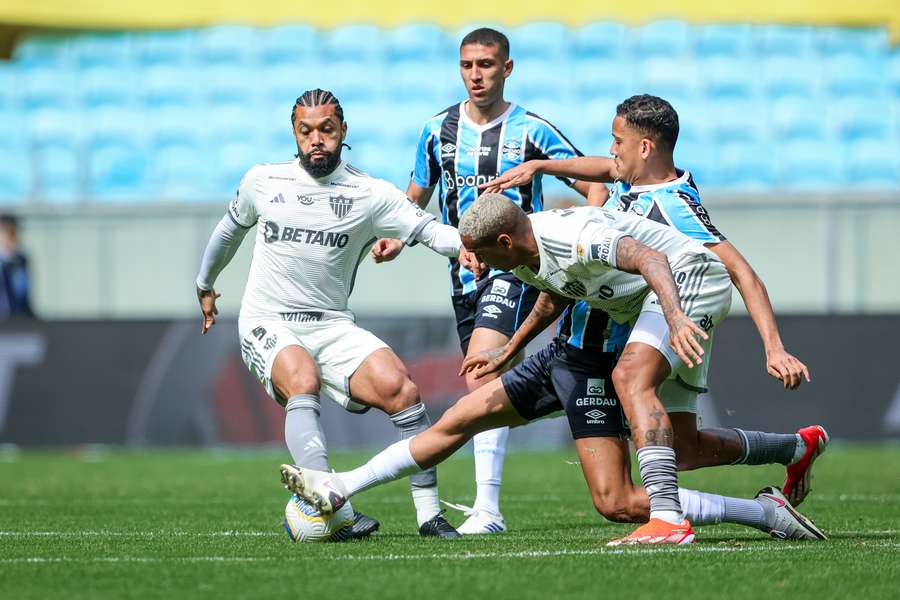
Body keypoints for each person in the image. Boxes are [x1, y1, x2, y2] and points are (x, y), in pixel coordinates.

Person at [281, 194, 827, 545]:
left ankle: (699, 518)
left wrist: (679, 316)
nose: (479, 269)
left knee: (622, 453)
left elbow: (650, 259)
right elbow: (555, 293)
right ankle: (340, 486)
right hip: (569, 351)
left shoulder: (575, 233)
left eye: (481, 257)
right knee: (464, 416)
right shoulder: (526, 252)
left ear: (503, 241)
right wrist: (508, 350)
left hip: (673, 295)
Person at [479, 94, 826, 506]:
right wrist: (542, 166)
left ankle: (666, 514)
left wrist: (774, 348)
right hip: (654, 315)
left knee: (631, 380)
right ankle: (796, 448)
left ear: (644, 148)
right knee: (686, 449)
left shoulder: (675, 206)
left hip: (678, 313)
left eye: (617, 140)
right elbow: (604, 169)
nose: (611, 151)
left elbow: (742, 272)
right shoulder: (635, 178)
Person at [194, 89, 467, 539]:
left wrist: (468, 249)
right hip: (269, 320)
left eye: (326, 130)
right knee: (302, 379)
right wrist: (205, 285)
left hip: (332, 324)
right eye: (306, 131)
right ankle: (331, 501)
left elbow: (428, 229)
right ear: (294, 134)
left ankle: (429, 516)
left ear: (342, 132)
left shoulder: (370, 192)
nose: (316, 140)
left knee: (403, 390)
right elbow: (228, 232)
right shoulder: (263, 180)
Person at [370, 27, 606, 535]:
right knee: (492, 384)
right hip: (461, 278)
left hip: (517, 273)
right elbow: (416, 195)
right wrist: (396, 237)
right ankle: (537, 414)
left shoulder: (532, 130)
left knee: (480, 373)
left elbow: (594, 185)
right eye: (468, 66)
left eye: (487, 65)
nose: (477, 75)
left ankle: (487, 509)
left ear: (507, 68)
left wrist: (580, 245)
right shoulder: (437, 131)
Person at [0, 214, 35, 319]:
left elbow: (24, 296)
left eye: (14, 233)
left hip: (18, 319)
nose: (12, 238)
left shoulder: (21, 261)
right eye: (8, 233)